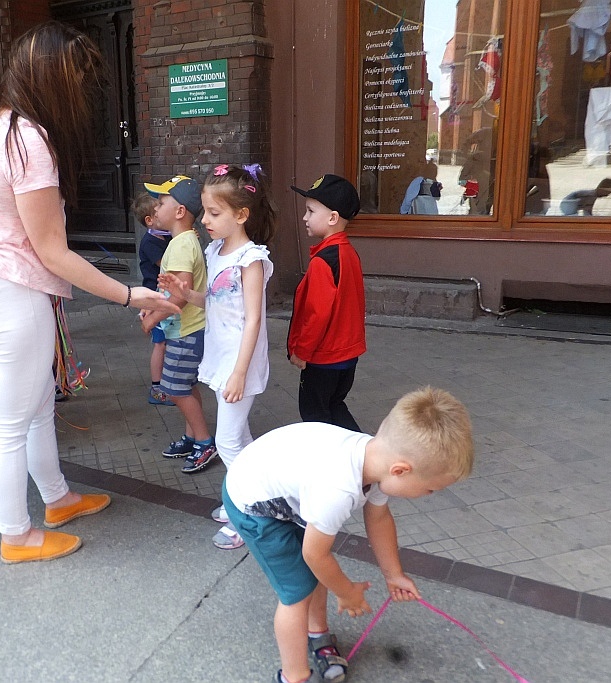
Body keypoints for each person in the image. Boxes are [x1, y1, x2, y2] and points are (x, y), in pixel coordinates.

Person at [0, 21, 177, 564]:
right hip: (10, 292)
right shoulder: (28, 138)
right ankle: (17, 535)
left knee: (31, 409)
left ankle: (56, 499)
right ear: (55, 80)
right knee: (12, 422)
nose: (82, 93)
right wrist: (130, 295)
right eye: (78, 79)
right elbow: (53, 252)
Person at [223, 387, 474, 683]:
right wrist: (347, 592)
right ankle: (294, 676)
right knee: (297, 591)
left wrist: (393, 574)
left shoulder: (377, 458)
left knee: (316, 573)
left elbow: (378, 518)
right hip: (253, 504)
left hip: (290, 491)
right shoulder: (337, 489)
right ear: (401, 470)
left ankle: (317, 634)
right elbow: (314, 555)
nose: (429, 496)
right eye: (431, 488)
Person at [160, 163, 276, 550]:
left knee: (227, 441)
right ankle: (247, 497)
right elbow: (211, 302)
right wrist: (183, 290)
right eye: (205, 211)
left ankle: (251, 511)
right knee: (239, 436)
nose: (205, 220)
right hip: (222, 356)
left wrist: (240, 373)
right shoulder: (215, 251)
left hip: (239, 362)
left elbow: (254, 320)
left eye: (214, 213)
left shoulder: (251, 259)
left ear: (241, 215)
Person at [139, 175, 217, 469]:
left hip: (187, 331)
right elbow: (169, 291)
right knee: (184, 385)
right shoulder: (180, 242)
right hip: (183, 331)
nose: (155, 208)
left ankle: (204, 441)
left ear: (180, 211)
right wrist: (151, 308)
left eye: (161, 203)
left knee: (174, 388)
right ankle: (192, 436)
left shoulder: (183, 245)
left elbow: (181, 296)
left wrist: (152, 320)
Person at [287, 174, 366, 433]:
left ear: (332, 218)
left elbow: (316, 314)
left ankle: (332, 466)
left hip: (323, 359)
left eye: (310, 211)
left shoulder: (323, 261)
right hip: (347, 356)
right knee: (334, 405)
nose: (304, 218)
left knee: (314, 415)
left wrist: (302, 352)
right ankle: (365, 456)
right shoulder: (348, 253)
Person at [133, 192, 174, 407]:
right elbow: (166, 264)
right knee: (160, 343)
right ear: (150, 220)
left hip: (164, 295)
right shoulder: (150, 242)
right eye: (158, 211)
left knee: (167, 341)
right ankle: (157, 387)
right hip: (154, 298)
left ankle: (170, 380)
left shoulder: (166, 237)